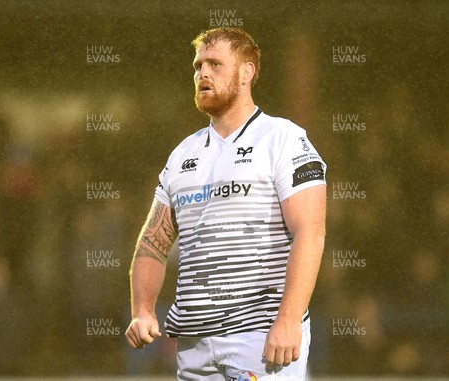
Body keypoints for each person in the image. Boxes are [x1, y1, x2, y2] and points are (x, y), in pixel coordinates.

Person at [125, 27, 327, 381]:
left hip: (261, 337)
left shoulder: (283, 139)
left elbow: (309, 232)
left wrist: (289, 319)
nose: (202, 73)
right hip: (193, 343)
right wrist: (142, 310)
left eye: (215, 64)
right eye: (198, 65)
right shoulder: (182, 154)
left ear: (246, 72)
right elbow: (153, 242)